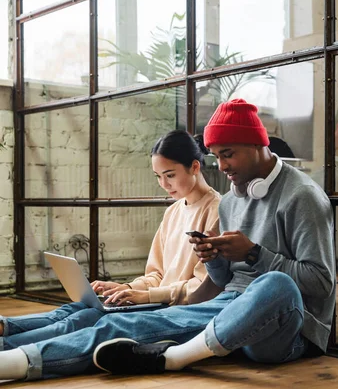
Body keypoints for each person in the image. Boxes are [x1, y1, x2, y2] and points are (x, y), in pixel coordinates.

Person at [0, 99, 335, 381]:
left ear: (258, 144)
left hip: (286, 331)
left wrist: (254, 254)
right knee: (118, 322)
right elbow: (226, 282)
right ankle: (13, 362)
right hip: (226, 313)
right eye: (217, 156)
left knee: (274, 283)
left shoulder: (301, 196)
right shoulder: (234, 199)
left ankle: (174, 357)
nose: (222, 166)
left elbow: (321, 283)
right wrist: (215, 260)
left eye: (228, 154)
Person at [0, 130, 222, 353]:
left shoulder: (218, 212)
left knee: (84, 318)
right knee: (76, 308)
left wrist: (144, 297)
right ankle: (4, 327)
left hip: (175, 310)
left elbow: (201, 288)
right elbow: (157, 275)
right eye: (157, 176)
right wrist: (126, 289)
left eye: (170, 175)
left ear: (194, 167)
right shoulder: (173, 212)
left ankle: (6, 349)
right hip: (155, 301)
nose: (163, 184)